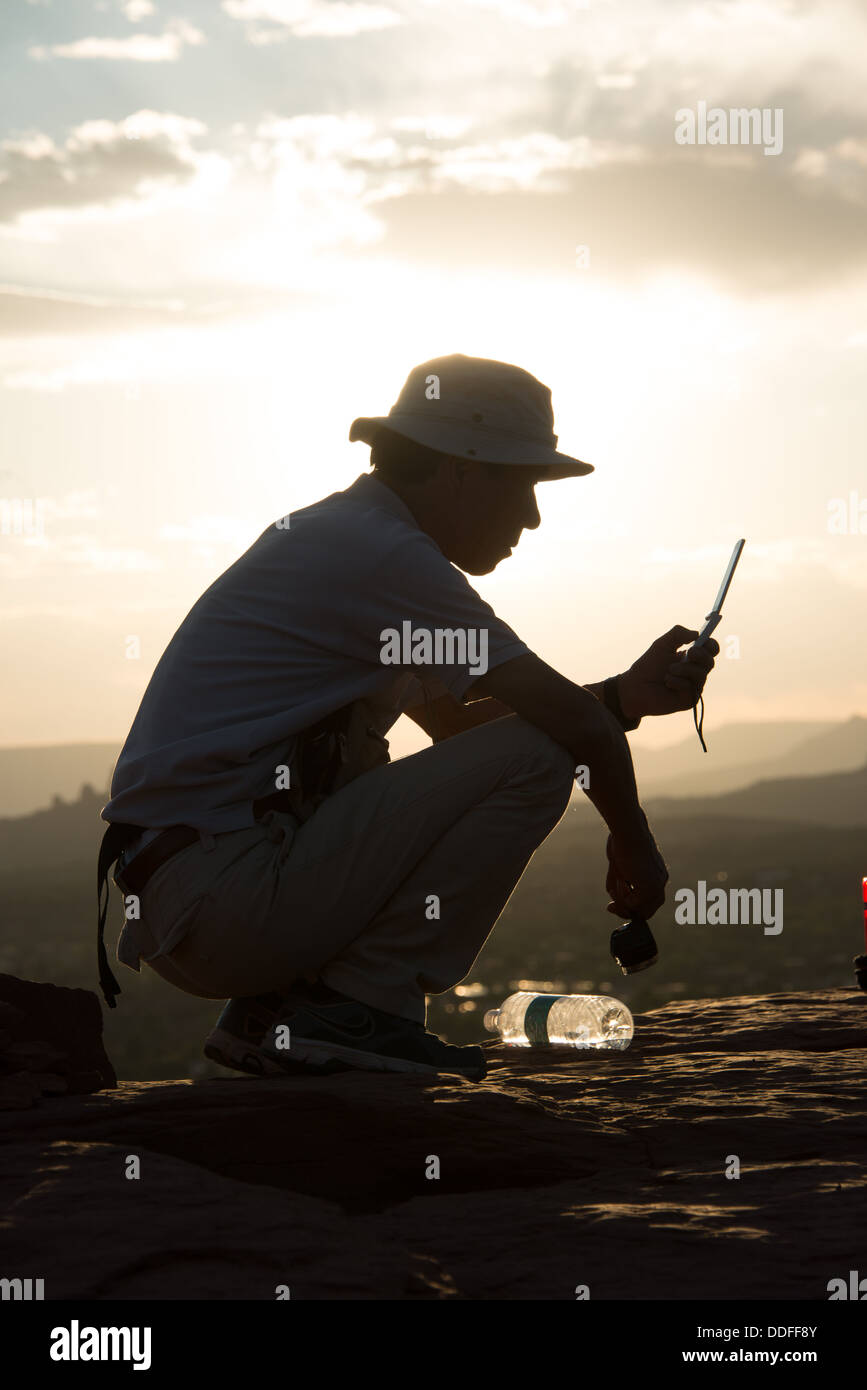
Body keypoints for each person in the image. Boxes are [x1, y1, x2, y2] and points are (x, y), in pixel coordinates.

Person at [98, 353, 717, 1083]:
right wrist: (634, 847)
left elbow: (458, 732)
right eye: (521, 485)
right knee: (544, 755)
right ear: (461, 468)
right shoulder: (383, 554)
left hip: (198, 902)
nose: (532, 516)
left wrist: (618, 698)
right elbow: (565, 732)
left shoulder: (348, 539)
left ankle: (281, 1017)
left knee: (534, 743)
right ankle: (357, 1009)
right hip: (224, 900)